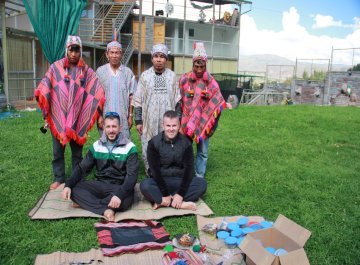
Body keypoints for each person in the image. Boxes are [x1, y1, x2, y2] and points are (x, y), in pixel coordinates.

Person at [35, 35, 105, 190]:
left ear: (80, 51)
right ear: (66, 50)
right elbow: (45, 88)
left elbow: (97, 91)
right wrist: (47, 110)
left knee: (77, 154)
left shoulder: (86, 71)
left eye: (77, 50)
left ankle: (76, 177)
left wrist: (99, 113)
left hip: (78, 118)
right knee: (57, 152)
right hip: (58, 115)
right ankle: (59, 178)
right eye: (71, 50)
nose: (74, 54)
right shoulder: (55, 68)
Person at [61, 112, 139, 221]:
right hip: (100, 185)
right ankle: (108, 209)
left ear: (120, 128)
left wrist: (119, 195)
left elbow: (132, 177)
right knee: (73, 190)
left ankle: (89, 203)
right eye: (108, 126)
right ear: (103, 127)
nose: (111, 130)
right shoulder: (96, 146)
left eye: (114, 126)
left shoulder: (130, 148)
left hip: (118, 186)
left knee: (126, 199)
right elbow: (81, 168)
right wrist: (68, 185)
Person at [140, 110, 207, 211]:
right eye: (168, 126)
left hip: (179, 180)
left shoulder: (186, 143)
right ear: (163, 125)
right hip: (161, 181)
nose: (171, 129)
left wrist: (180, 194)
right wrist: (165, 194)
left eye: (174, 126)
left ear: (179, 125)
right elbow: (155, 172)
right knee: (144, 186)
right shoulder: (153, 143)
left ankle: (163, 201)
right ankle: (178, 203)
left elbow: (189, 171)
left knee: (201, 184)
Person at [179, 42, 226, 178]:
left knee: (203, 152)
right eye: (196, 66)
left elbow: (218, 106)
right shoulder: (184, 80)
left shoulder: (212, 83)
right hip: (186, 122)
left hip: (204, 124)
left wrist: (213, 126)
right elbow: (178, 100)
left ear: (206, 65)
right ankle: (185, 175)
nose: (199, 70)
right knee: (185, 150)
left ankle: (199, 176)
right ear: (192, 64)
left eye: (202, 66)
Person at [132, 44, 181, 173]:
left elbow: (177, 101)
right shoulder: (144, 76)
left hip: (168, 123)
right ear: (152, 58)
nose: (159, 60)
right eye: (156, 56)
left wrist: (177, 121)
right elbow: (138, 100)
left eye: (162, 57)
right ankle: (151, 172)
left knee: (167, 145)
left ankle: (165, 171)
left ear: (166, 59)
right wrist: (138, 121)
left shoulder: (172, 77)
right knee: (149, 145)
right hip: (149, 121)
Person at [96, 40, 137, 139]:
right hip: (105, 115)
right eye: (112, 52)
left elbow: (132, 96)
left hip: (123, 116)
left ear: (121, 54)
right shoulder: (100, 72)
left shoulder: (128, 73)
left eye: (117, 53)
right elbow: (96, 97)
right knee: (106, 143)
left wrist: (130, 116)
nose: (114, 56)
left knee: (123, 145)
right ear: (107, 54)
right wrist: (99, 116)